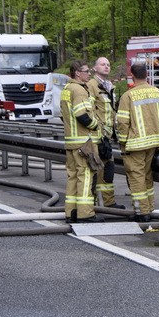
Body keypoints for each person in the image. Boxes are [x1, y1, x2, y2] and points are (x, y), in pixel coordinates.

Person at [115, 62, 159, 223]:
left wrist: (123, 143)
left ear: (132, 75)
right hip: (155, 142)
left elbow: (122, 123)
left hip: (135, 144)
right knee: (146, 175)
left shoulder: (128, 96)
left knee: (136, 177)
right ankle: (150, 207)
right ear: (146, 74)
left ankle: (141, 212)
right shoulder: (158, 92)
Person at [60, 60, 101, 223]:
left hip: (71, 142)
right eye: (86, 71)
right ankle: (86, 214)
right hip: (84, 142)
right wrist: (96, 125)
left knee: (72, 177)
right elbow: (82, 115)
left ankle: (71, 212)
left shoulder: (66, 89)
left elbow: (64, 116)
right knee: (85, 177)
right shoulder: (79, 90)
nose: (88, 74)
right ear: (77, 73)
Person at [87, 56, 123, 209]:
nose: (106, 67)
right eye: (102, 64)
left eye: (108, 64)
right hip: (96, 136)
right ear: (95, 68)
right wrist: (97, 129)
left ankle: (109, 203)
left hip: (107, 136)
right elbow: (87, 110)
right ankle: (92, 204)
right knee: (95, 171)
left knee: (108, 170)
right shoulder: (91, 86)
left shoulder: (108, 86)